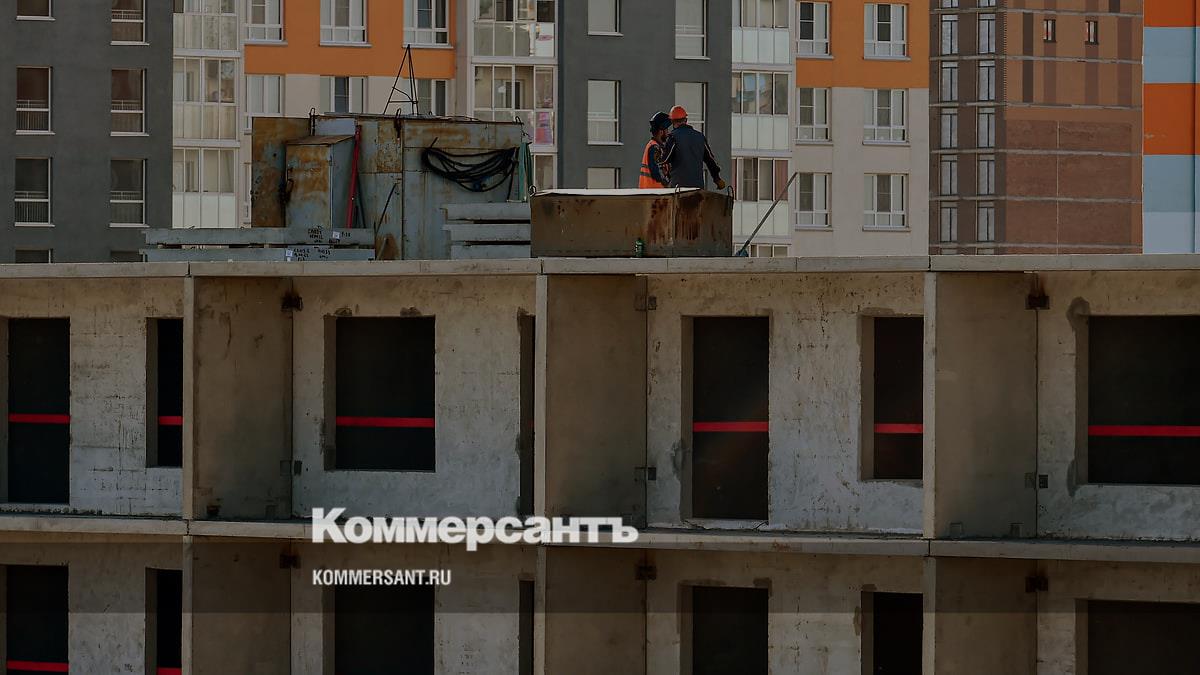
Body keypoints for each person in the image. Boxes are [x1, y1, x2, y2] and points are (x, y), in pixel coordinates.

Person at [660, 105, 727, 190]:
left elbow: (664, 159)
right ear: (686, 120)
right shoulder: (700, 137)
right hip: (697, 188)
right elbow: (710, 161)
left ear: (672, 121)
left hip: (678, 188)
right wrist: (717, 179)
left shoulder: (672, 137)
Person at [639, 111, 672, 188]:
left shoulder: (656, 146)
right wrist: (669, 183)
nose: (668, 133)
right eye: (666, 130)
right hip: (653, 191)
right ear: (661, 132)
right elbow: (657, 172)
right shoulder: (655, 148)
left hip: (652, 191)